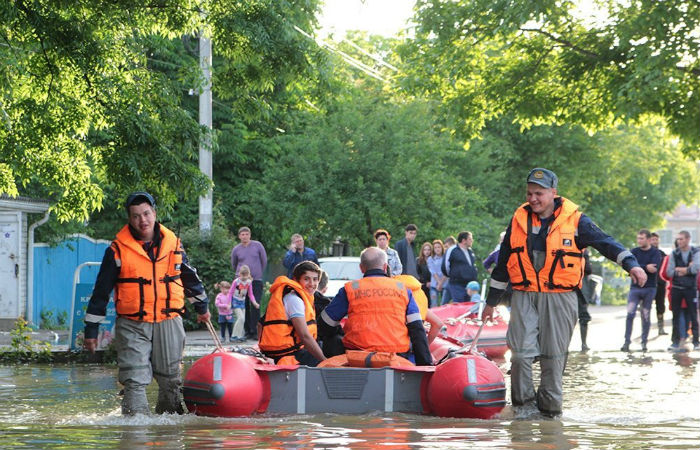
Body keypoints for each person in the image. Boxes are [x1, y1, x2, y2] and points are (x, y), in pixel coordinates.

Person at [482, 168, 646, 418]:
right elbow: (504, 263)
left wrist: (631, 263)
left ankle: (550, 414)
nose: (533, 198)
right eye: (529, 193)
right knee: (520, 356)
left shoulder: (576, 220)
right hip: (524, 295)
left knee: (552, 357)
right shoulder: (518, 220)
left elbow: (606, 242)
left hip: (560, 297)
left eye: (539, 193)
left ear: (553, 193)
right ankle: (523, 412)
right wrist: (491, 303)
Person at [83, 191, 210, 415]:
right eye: (135, 216)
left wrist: (202, 308)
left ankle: (169, 432)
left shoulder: (174, 245)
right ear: (129, 219)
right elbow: (101, 292)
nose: (142, 220)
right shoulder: (116, 251)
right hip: (132, 323)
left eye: (146, 213)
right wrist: (91, 331)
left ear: (154, 213)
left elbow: (189, 278)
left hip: (168, 319)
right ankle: (134, 433)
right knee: (134, 379)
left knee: (171, 380)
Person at [319, 247, 432, 365]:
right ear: (385, 267)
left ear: (361, 268)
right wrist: (425, 364)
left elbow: (325, 323)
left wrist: (340, 332)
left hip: (356, 355)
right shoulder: (403, 290)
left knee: (331, 338)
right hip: (395, 356)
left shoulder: (350, 289)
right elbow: (417, 329)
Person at [259, 261, 327, 366]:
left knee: (322, 345)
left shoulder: (299, 296)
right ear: (296, 280)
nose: (312, 284)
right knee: (319, 358)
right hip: (285, 355)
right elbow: (304, 336)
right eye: (306, 279)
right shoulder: (294, 300)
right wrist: (325, 361)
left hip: (289, 350)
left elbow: (260, 323)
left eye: (315, 279)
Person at [621, 229, 663, 352]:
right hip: (635, 287)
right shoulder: (633, 252)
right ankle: (626, 342)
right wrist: (644, 267)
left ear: (648, 240)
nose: (639, 240)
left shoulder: (655, 253)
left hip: (650, 288)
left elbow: (654, 269)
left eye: (642, 238)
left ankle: (644, 343)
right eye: (638, 238)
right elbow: (629, 267)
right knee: (630, 314)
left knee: (645, 315)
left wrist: (638, 267)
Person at [664, 230, 700, 351]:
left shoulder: (695, 252)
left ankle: (696, 341)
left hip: (691, 288)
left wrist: (680, 269)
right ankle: (675, 341)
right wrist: (687, 269)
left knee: (693, 315)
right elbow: (669, 272)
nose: (679, 241)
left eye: (681, 239)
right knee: (675, 315)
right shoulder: (674, 253)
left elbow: (695, 269)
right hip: (677, 288)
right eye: (678, 239)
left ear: (688, 239)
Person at [230, 226, 267, 340]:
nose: (245, 236)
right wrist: (241, 276)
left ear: (250, 235)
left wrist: (257, 273)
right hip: (241, 281)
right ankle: (247, 331)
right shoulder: (236, 249)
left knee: (255, 304)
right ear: (239, 236)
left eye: (246, 234)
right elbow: (234, 264)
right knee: (243, 304)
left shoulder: (258, 245)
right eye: (242, 234)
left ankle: (255, 330)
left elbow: (264, 260)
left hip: (255, 280)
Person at [442, 231, 478, 302]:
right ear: (464, 240)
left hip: (469, 285)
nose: (472, 241)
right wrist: (453, 275)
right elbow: (445, 266)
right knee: (459, 304)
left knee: (468, 306)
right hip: (457, 284)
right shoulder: (452, 250)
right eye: (470, 239)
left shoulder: (470, 251)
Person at [228, 265, 258, 342]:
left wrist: (254, 302)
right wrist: (229, 303)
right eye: (242, 275)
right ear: (239, 274)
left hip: (242, 302)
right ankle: (234, 336)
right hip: (235, 301)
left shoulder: (249, 282)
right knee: (240, 318)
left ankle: (239, 335)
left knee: (243, 319)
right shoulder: (236, 282)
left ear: (248, 274)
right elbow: (230, 292)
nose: (244, 277)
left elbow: (250, 294)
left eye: (246, 275)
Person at [650, 232, 668, 335]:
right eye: (653, 239)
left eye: (656, 240)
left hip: (660, 284)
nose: (655, 242)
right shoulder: (645, 253)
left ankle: (661, 328)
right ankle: (645, 328)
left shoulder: (662, 254)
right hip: (648, 284)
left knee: (660, 306)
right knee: (646, 307)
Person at [578, 249, 593, 352]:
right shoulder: (584, 250)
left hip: (566, 285)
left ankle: (584, 343)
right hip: (581, 287)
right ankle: (584, 343)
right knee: (583, 316)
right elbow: (588, 269)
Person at [428, 239, 446, 307]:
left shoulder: (445, 258)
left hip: (444, 284)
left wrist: (441, 283)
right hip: (434, 285)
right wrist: (439, 283)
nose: (437, 249)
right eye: (435, 247)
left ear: (442, 247)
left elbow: (447, 271)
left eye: (439, 247)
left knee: (444, 304)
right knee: (434, 304)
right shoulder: (430, 259)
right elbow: (433, 272)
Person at [441, 236, 456, 304]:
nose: (445, 249)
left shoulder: (452, 251)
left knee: (445, 302)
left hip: (454, 281)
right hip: (450, 281)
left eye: (446, 246)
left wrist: (447, 273)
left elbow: (446, 267)